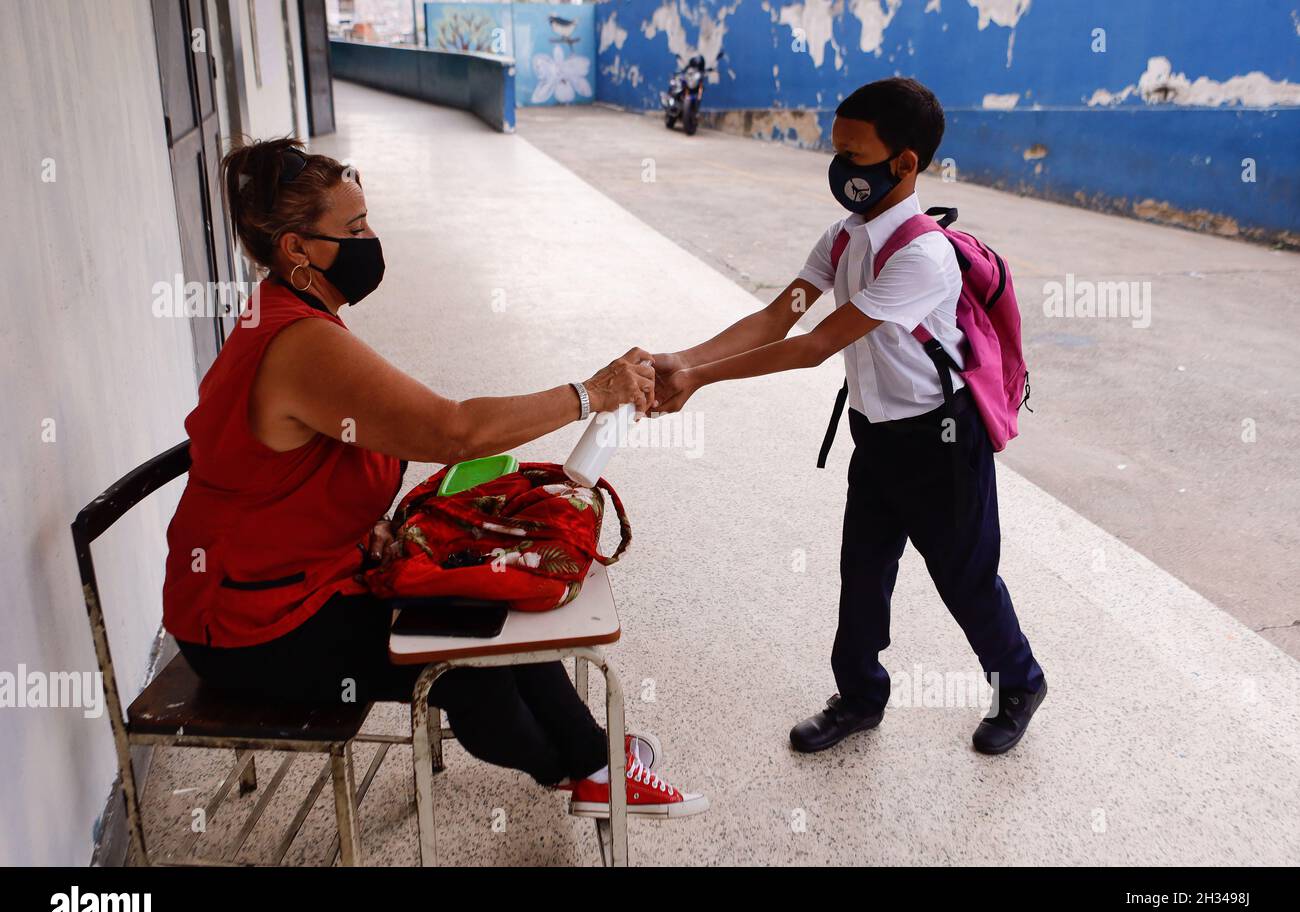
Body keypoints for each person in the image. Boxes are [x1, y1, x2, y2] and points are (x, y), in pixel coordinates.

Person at [162, 136, 707, 818]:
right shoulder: (299, 343)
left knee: (485, 597)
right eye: (354, 229)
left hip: (296, 579)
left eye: (369, 222)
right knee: (463, 662)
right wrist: (589, 393)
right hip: (256, 628)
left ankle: (593, 760)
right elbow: (451, 430)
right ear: (298, 250)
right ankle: (582, 767)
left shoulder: (289, 315)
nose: (371, 240)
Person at [651, 78, 1047, 756]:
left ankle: (1020, 680)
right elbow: (781, 315)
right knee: (863, 572)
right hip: (876, 435)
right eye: (835, 150)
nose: (840, 169)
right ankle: (861, 696)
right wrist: (679, 358)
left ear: (905, 164)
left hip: (941, 440)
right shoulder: (842, 238)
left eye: (853, 154)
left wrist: (697, 380)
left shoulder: (922, 256)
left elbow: (810, 347)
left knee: (964, 577)